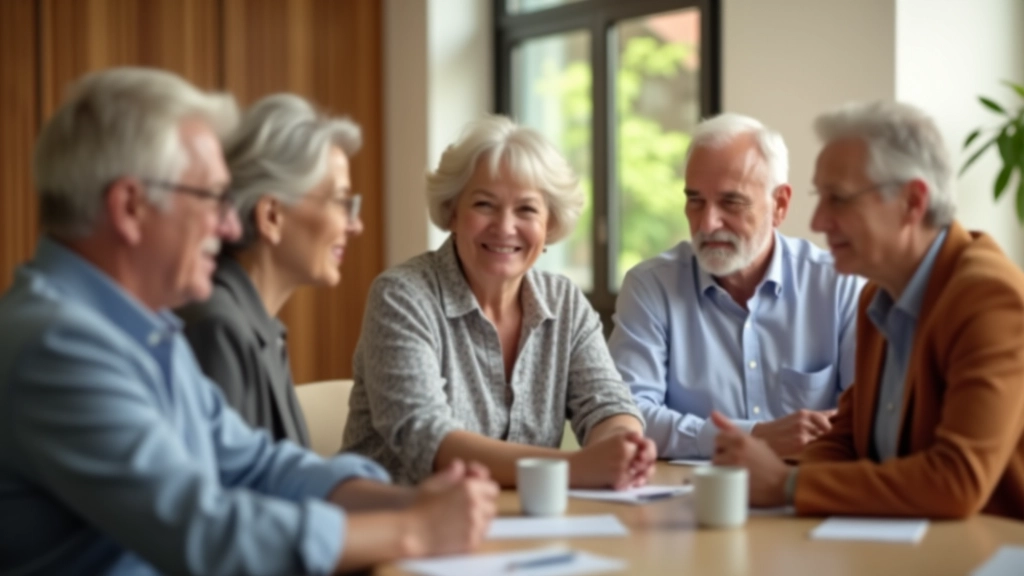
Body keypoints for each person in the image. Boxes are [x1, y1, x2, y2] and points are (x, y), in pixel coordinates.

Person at [0, 67, 498, 576]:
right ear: (130, 207)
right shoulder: (57, 347)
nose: (229, 223)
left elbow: (254, 463)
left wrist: (404, 504)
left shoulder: (147, 329)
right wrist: (414, 528)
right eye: (210, 198)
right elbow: (205, 531)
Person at [712, 101, 1024, 520]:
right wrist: (765, 478)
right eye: (819, 198)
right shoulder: (878, 293)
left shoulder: (988, 299)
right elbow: (845, 440)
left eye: (838, 199)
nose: (818, 221)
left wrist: (787, 485)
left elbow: (957, 481)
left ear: (913, 202)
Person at [342, 115, 656, 488]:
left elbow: (608, 404)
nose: (505, 227)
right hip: (400, 526)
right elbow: (429, 442)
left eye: (526, 209)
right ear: (453, 212)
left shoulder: (565, 303)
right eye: (485, 205)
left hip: (520, 526)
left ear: (549, 225)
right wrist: (575, 468)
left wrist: (622, 446)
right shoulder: (402, 296)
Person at [608, 113, 864, 460]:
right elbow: (629, 417)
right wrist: (755, 436)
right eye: (695, 200)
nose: (708, 223)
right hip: (691, 498)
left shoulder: (839, 285)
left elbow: (868, 417)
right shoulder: (651, 287)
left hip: (808, 492)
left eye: (732, 202)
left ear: (780, 205)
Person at [177, 94, 364, 447]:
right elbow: (230, 494)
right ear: (271, 216)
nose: (356, 226)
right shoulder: (217, 328)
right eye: (341, 202)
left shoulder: (256, 325)